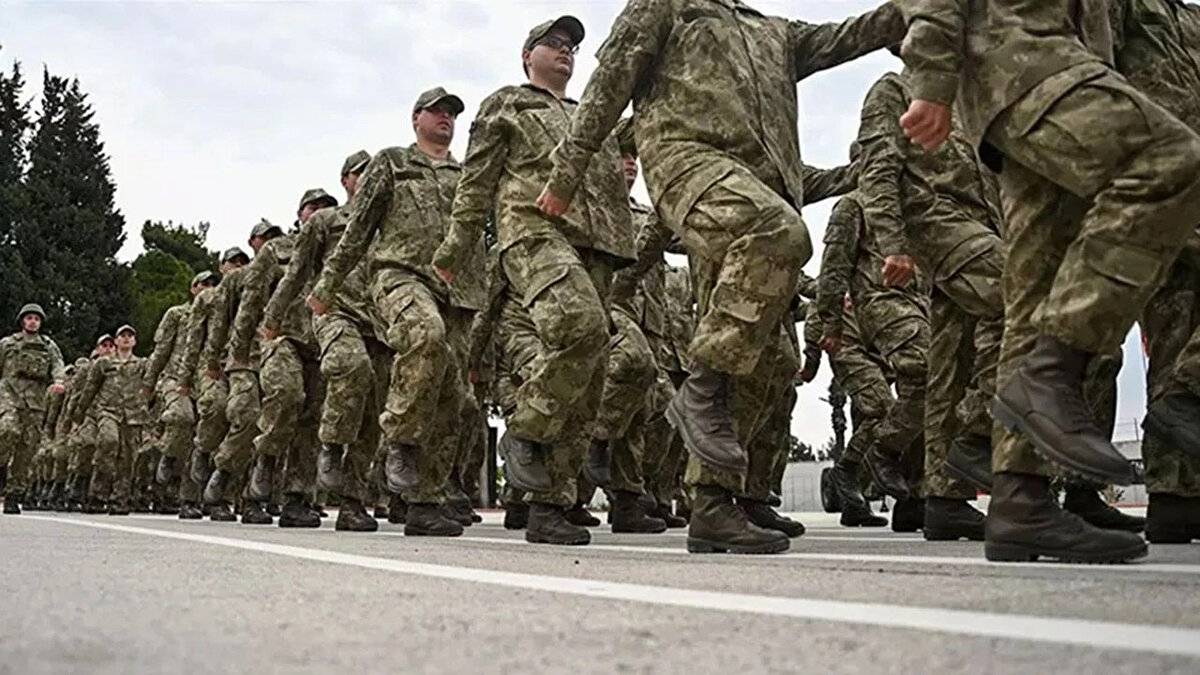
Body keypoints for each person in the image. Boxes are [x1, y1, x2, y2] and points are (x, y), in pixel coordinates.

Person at [537, 1, 904, 554]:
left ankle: (714, 503)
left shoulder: (773, 31)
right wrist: (568, 174)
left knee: (771, 361)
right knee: (783, 233)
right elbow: (610, 81)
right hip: (688, 163)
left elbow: (851, 34)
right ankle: (701, 388)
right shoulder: (669, 8)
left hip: (756, 192)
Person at [898, 0, 1200, 562]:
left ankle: (1019, 499)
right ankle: (1050, 372)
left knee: (1035, 293)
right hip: (1030, 63)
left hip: (1052, 70)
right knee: (1171, 159)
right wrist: (934, 77)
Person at [432, 17, 635, 546]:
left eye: (571, 47)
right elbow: (475, 182)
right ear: (528, 56)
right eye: (554, 44)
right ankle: (524, 428)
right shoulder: (508, 104)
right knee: (580, 327)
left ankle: (550, 503)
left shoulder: (592, 116)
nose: (565, 52)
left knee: (591, 374)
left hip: (599, 244)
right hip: (532, 230)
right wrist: (456, 246)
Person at [0, 303, 66, 514]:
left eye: (36, 319)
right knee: (8, 430)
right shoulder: (8, 343)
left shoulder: (48, 346)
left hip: (36, 403)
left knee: (26, 450)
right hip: (9, 396)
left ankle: (13, 494)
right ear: (22, 321)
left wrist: (58, 381)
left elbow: (58, 365)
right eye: (29, 318)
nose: (32, 321)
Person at [75, 325, 147, 515]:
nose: (126, 339)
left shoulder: (142, 365)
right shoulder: (103, 364)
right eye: (122, 336)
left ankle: (119, 499)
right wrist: (80, 413)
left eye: (130, 336)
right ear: (116, 341)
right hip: (108, 411)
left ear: (134, 342)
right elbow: (90, 388)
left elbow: (151, 384)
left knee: (128, 458)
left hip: (132, 415)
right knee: (108, 442)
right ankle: (97, 494)